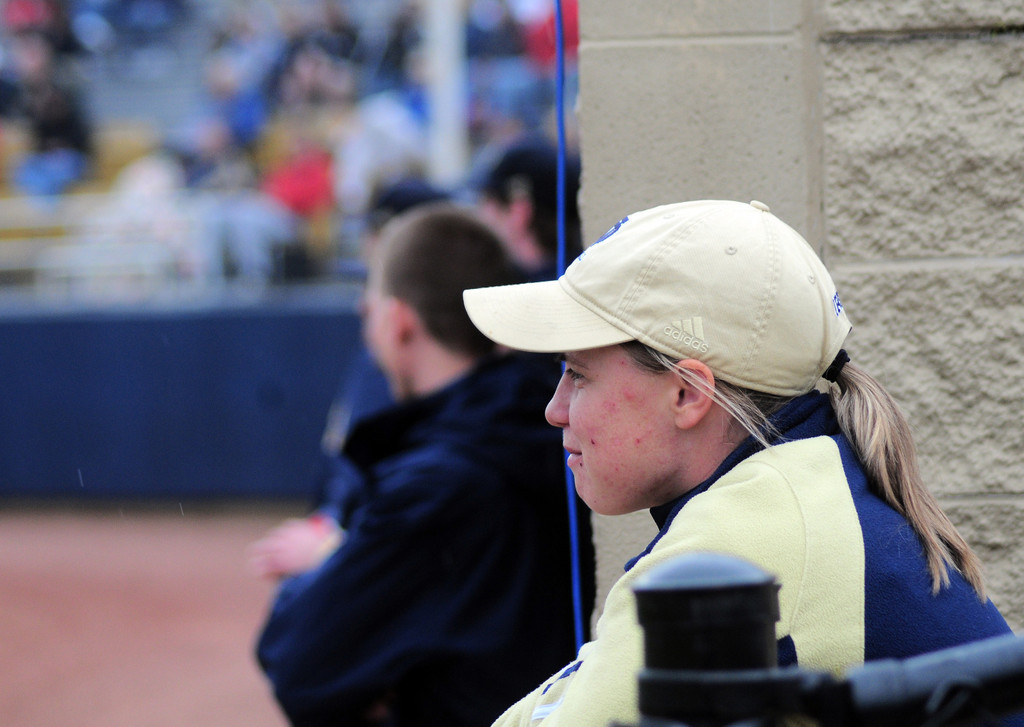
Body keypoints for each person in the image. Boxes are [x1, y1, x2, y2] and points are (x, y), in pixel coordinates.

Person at [462, 199, 1023, 727]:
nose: (554, 409)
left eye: (578, 374)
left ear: (687, 394)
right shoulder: (802, 481)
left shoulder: (751, 528)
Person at [255, 203, 594, 727]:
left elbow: (295, 663)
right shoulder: (550, 422)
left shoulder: (437, 479)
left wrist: (329, 559)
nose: (365, 320)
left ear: (399, 322)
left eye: (369, 306)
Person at [474, 133, 581, 281]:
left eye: (486, 201)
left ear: (519, 212)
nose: (479, 214)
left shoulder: (513, 290)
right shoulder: (583, 277)